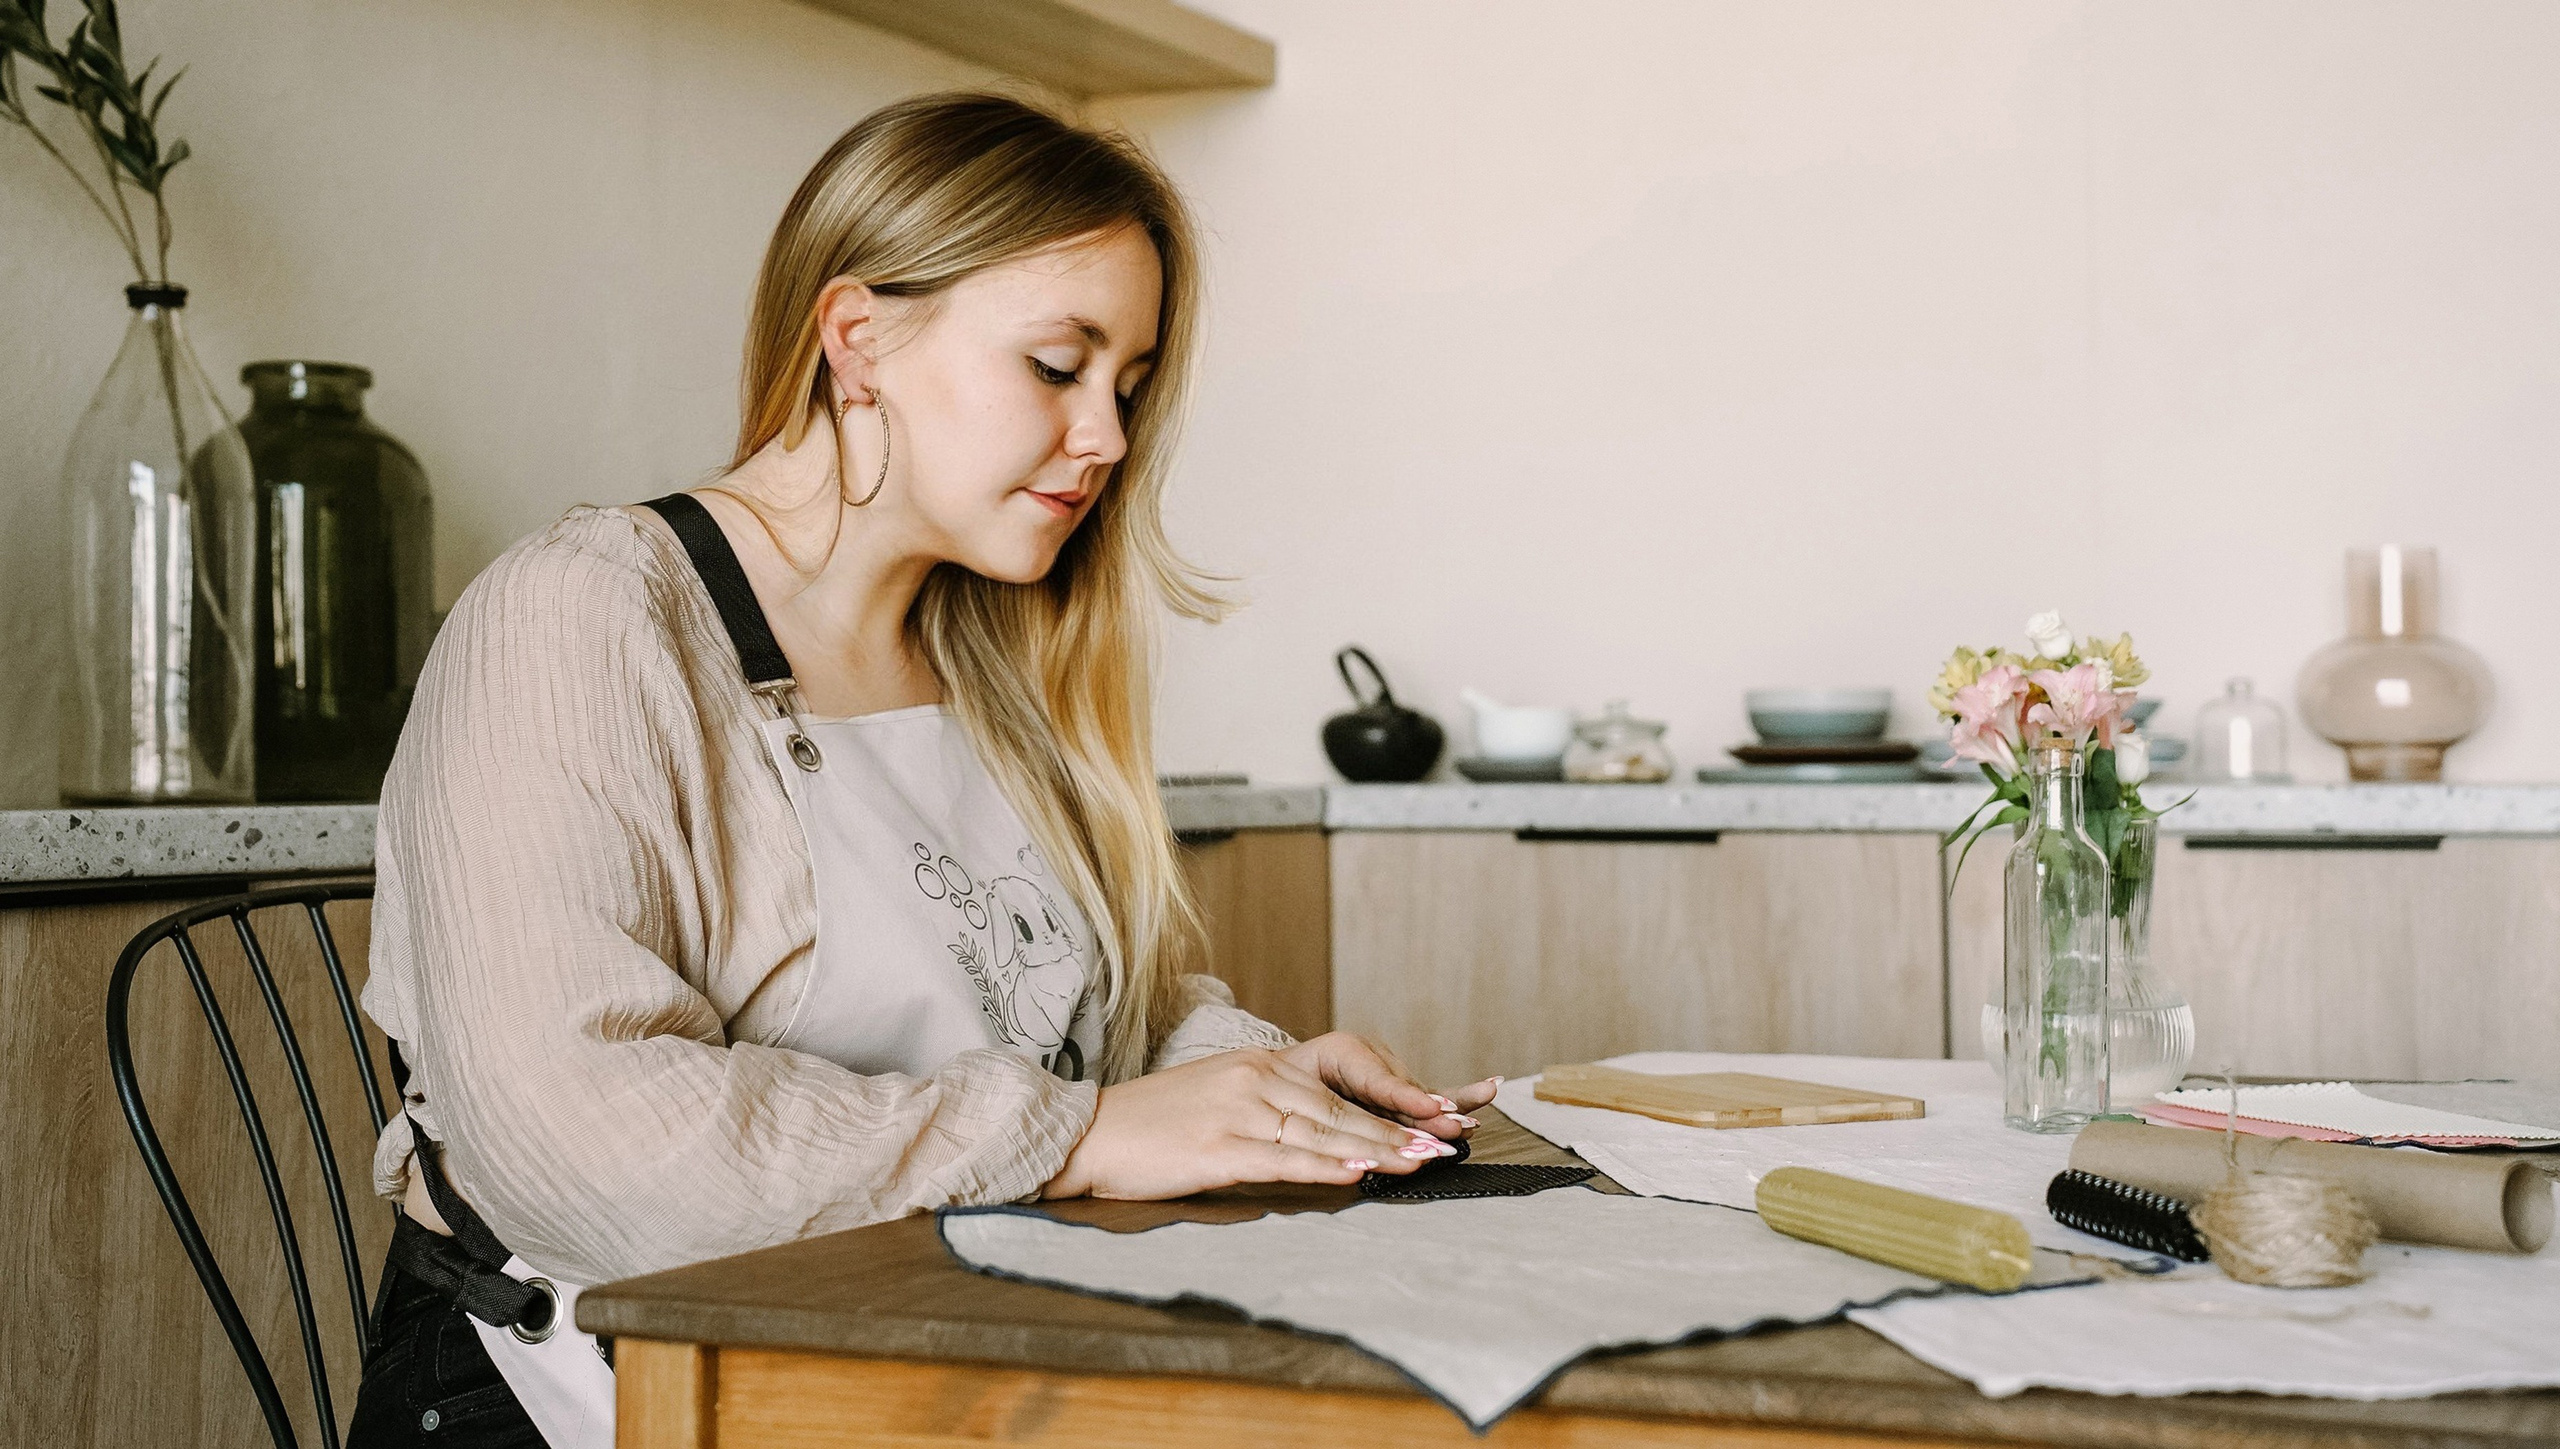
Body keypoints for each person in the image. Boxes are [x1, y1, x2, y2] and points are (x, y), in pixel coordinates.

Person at [346, 93, 1497, 1449]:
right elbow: (588, 1149)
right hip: (584, 1381)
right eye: (1059, 368)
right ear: (858, 341)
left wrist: (1263, 1081)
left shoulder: (990, 655)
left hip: (914, 1346)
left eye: (1127, 387)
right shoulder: (582, 617)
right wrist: (1086, 1137)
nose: (1109, 440)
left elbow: (1069, 1013)